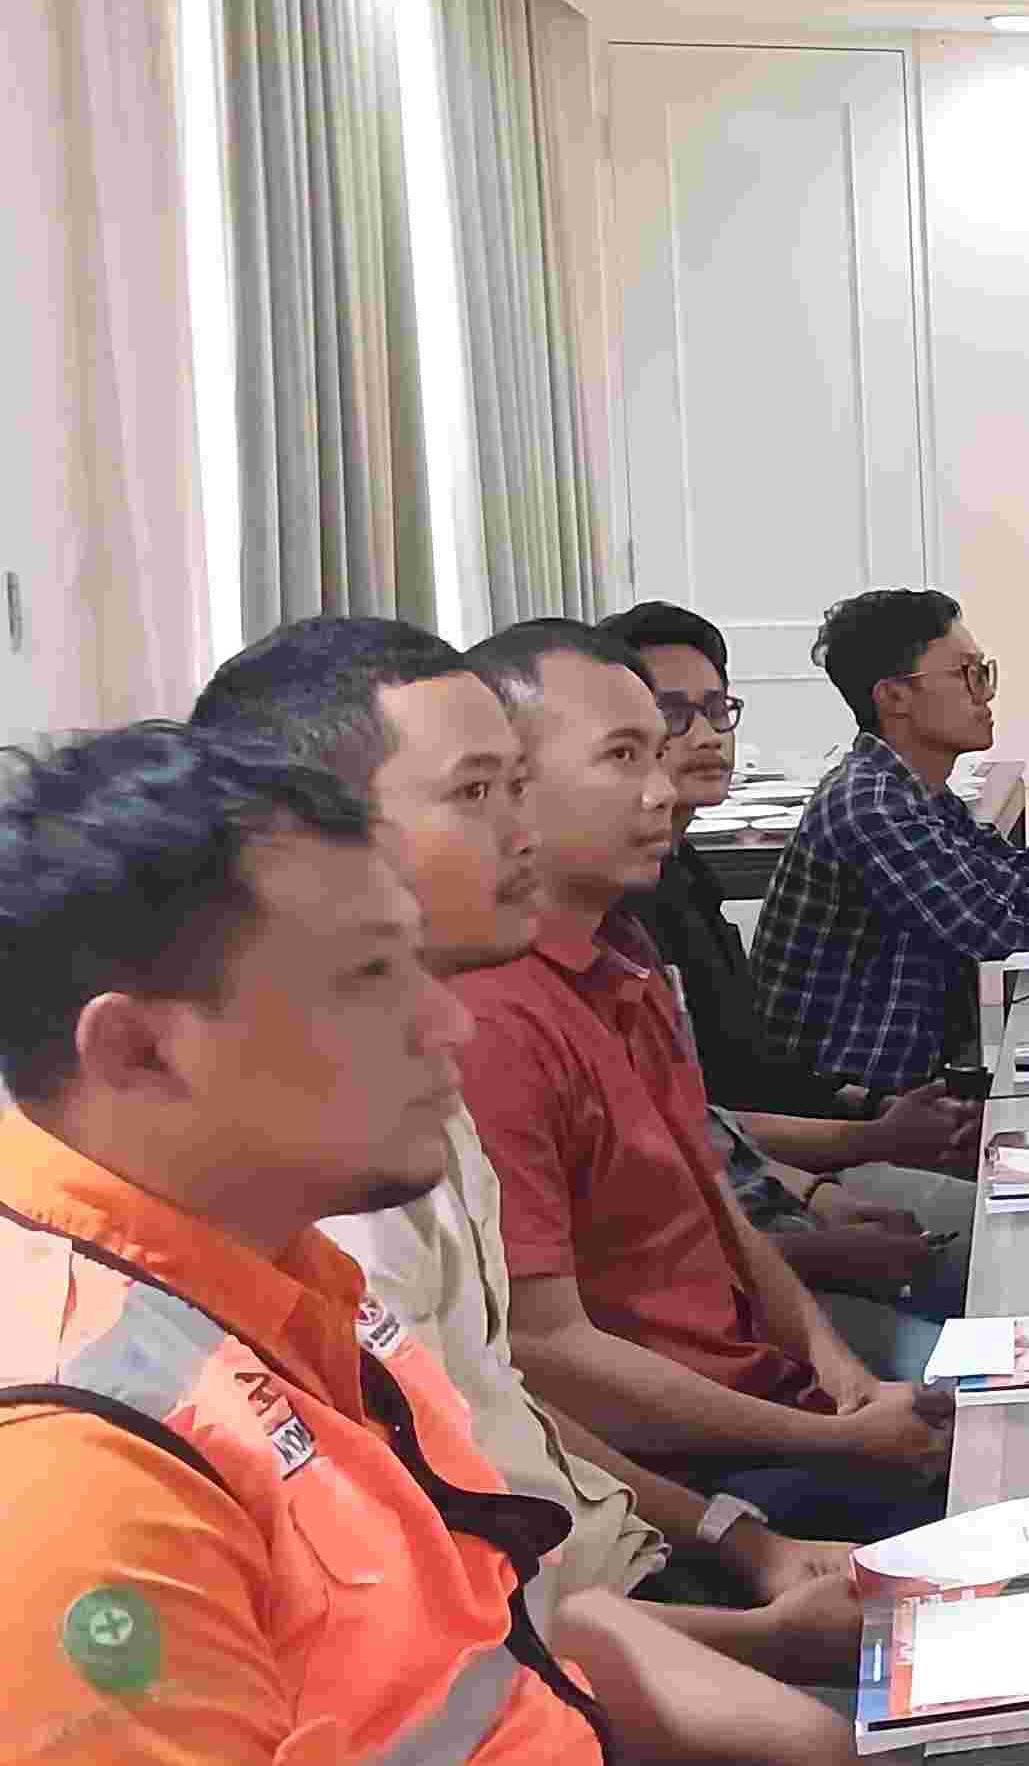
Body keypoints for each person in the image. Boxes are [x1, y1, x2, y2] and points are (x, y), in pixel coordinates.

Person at [0, 723, 1029, 1766]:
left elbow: (499, 1634)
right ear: (141, 1051)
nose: (447, 1025)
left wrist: (810, 1748)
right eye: (365, 982)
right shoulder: (73, 1458)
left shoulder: (284, 1272)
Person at [186, 617, 867, 1680]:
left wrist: (740, 1540)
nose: (522, 831)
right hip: (582, 1655)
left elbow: (501, 1402)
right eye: (477, 792)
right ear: (307, 837)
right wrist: (766, 1634)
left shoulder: (438, 1046)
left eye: (516, 785)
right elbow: (454, 1632)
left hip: (639, 1566)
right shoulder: (323, 1167)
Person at [468, 621, 953, 1544]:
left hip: (765, 1382)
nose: (661, 789)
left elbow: (720, 1204)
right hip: (693, 1460)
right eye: (622, 756)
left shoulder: (623, 950)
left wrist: (838, 1371)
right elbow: (548, 1355)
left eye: (656, 752)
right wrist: (831, 1435)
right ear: (508, 788)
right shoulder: (492, 1018)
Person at [602, 599, 975, 1340]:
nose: (706, 735)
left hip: (781, 1180)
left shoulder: (679, 870)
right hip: (738, 1253)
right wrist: (861, 1155)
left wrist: (863, 1129)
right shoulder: (605, 916)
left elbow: (721, 1102)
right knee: (1002, 1257)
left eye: (718, 710)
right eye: (673, 716)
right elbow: (680, 1152)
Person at [752, 588, 1029, 1094]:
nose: (985, 693)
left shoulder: (914, 791)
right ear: (893, 697)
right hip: (846, 1109)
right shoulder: (872, 805)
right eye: (967, 674)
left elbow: (1024, 886)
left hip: (904, 1094)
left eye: (984, 672)